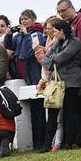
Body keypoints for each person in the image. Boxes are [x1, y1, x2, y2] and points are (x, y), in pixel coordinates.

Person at [40, 18, 81, 152]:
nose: (52, 33)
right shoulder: (56, 43)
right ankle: (47, 144)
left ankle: (68, 143)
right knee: (52, 113)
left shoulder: (75, 42)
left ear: (61, 30)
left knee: (69, 113)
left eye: (54, 30)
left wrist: (53, 59)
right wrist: (53, 59)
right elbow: (46, 61)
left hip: (71, 82)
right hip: (57, 82)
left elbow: (63, 57)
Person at [13, 10, 47, 150]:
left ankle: (42, 142)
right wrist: (10, 35)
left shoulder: (36, 34)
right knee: (33, 112)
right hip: (27, 77)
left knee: (40, 111)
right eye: (21, 19)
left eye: (26, 19)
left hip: (36, 75)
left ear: (33, 19)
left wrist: (26, 35)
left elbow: (29, 52)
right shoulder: (20, 36)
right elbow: (12, 49)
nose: (23, 21)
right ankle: (35, 142)